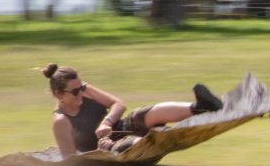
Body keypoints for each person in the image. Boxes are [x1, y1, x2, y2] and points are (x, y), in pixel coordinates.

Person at [41, 64, 224, 159]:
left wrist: (107, 122)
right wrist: (98, 150)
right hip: (109, 149)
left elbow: (118, 104)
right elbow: (70, 161)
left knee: (145, 114)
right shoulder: (61, 121)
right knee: (129, 144)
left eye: (81, 87)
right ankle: (156, 141)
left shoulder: (86, 90)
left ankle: (199, 107)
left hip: (121, 125)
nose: (80, 92)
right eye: (74, 91)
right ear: (59, 94)